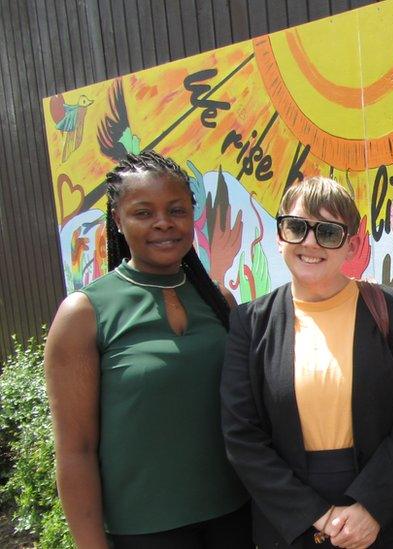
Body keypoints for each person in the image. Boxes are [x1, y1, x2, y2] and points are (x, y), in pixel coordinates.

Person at [45, 151, 250, 548]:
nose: (163, 223)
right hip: (144, 531)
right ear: (118, 220)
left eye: (177, 210)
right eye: (143, 212)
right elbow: (76, 452)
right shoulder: (84, 313)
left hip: (234, 518)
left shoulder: (219, 301)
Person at [220, 176, 393, 548]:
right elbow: (242, 435)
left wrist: (370, 507)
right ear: (279, 236)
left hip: (385, 515)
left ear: (351, 246)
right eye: (297, 227)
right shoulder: (250, 324)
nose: (310, 242)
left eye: (328, 233)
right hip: (291, 520)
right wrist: (315, 515)